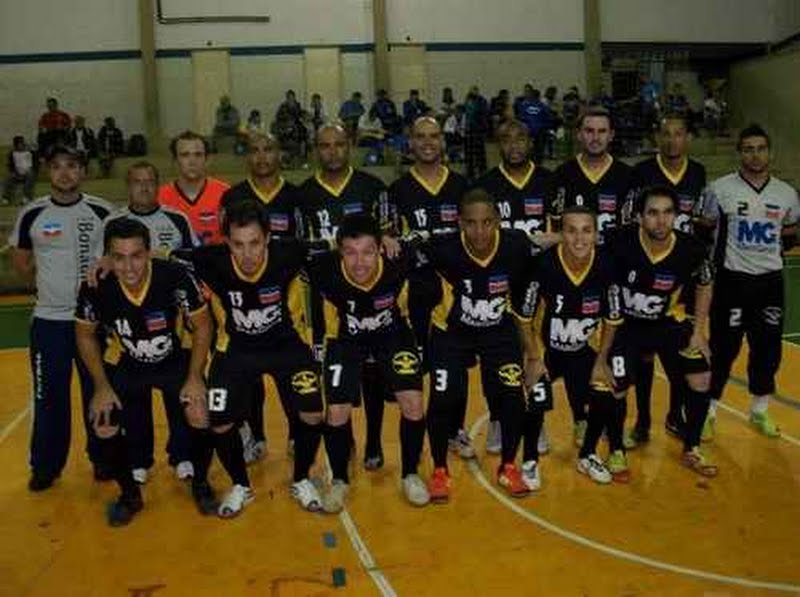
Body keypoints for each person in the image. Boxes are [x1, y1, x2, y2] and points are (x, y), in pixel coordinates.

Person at [175, 201, 328, 516]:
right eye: (238, 244)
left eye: (255, 243)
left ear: (268, 238)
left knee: (313, 412)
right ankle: (240, 485)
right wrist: (107, 258)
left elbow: (335, 246)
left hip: (286, 346)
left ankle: (301, 478)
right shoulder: (210, 260)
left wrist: (385, 240)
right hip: (236, 350)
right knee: (220, 421)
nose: (247, 254)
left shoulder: (290, 253)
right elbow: (166, 257)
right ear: (226, 241)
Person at [75, 218, 211, 525]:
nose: (129, 267)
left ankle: (201, 485)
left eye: (136, 256)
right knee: (103, 420)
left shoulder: (174, 276)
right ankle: (129, 495)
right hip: (128, 363)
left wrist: (195, 377)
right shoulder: (96, 286)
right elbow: (84, 335)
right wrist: (101, 386)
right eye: (119, 257)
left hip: (174, 360)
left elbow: (203, 326)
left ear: (149, 252)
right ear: (108, 257)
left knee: (200, 410)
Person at [422, 188, 539, 501]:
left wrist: (533, 354)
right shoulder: (442, 248)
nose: (479, 231)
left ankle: (508, 466)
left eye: (487, 222)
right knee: (443, 397)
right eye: (471, 223)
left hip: (498, 333)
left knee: (513, 396)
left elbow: (539, 248)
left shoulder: (515, 246)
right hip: (451, 333)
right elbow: (405, 254)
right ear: (460, 223)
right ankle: (439, 470)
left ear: (497, 221)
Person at [309, 214, 429, 510]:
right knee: (336, 410)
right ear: (339, 251)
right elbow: (287, 250)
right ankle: (339, 480)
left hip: (392, 333)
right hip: (345, 339)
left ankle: (411, 474)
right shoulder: (323, 267)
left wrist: (392, 238)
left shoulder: (399, 258)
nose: (359, 262)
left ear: (380, 249)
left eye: (367, 252)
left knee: (413, 402)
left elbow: (425, 239)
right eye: (350, 252)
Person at [9, 145, 112, 491]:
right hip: (49, 322)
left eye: (71, 166)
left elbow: (115, 257)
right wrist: (51, 286)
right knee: (48, 395)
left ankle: (104, 458)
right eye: (57, 167)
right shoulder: (32, 213)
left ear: (82, 171)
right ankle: (46, 466)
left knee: (99, 389)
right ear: (47, 172)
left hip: (92, 322)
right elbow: (22, 264)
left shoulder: (102, 211)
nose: (65, 173)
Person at [299, 123, 393, 469]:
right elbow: (300, 251)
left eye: (339, 144)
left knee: (372, 374)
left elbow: (388, 242)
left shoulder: (372, 187)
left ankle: (374, 441)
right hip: (326, 301)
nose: (333, 151)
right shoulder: (304, 195)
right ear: (316, 150)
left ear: (349, 146)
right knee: (337, 377)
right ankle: (347, 437)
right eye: (325, 145)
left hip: (369, 299)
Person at [606, 186, 717, 478]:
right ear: (640, 217)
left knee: (701, 376)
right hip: (626, 326)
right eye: (653, 213)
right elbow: (582, 242)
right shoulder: (619, 239)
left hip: (669, 324)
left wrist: (699, 331)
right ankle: (617, 448)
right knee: (615, 383)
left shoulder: (692, 249)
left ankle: (692, 447)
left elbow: (705, 284)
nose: (661, 220)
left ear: (676, 215)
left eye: (668, 212)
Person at [701, 125, 800, 438]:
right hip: (731, 281)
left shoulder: (786, 194)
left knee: (768, 349)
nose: (755, 155)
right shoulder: (719, 189)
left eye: (760, 148)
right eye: (748, 149)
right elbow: (705, 228)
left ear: (770, 152)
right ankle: (708, 412)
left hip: (769, 283)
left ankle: (759, 410)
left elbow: (790, 233)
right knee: (723, 348)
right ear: (739, 153)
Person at [475, 118, 558, 454]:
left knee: (535, 353)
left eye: (520, 138)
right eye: (506, 139)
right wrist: (530, 241)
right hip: (498, 283)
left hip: (541, 284)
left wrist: (525, 241)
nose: (514, 145)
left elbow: (559, 234)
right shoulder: (485, 185)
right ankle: (498, 419)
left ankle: (536, 422)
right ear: (499, 144)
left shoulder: (549, 181)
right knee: (496, 356)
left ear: (530, 142)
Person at [524, 206, 623, 487]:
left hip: (582, 349)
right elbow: (523, 318)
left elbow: (613, 318)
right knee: (537, 396)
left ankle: (587, 454)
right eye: (571, 231)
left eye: (586, 231)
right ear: (561, 234)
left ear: (596, 234)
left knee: (605, 389)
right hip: (547, 350)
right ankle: (530, 460)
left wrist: (601, 360)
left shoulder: (606, 266)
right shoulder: (543, 266)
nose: (579, 239)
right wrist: (533, 358)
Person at [388, 117, 470, 456]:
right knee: (416, 369)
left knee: (456, 367)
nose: (427, 142)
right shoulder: (397, 191)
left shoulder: (462, 186)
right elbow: (391, 243)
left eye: (434, 136)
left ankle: (455, 430)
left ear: (443, 141)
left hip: (457, 291)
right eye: (420, 137)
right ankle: (418, 433)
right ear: (410, 143)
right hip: (415, 293)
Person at [220, 133, 304, 460]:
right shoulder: (232, 197)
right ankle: (255, 436)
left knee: (289, 375)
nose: (262, 156)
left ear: (279, 153)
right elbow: (224, 249)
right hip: (244, 301)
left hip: (285, 300)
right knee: (250, 378)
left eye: (268, 149)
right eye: (255, 150)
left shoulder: (295, 196)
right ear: (247, 157)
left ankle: (297, 435)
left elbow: (302, 249)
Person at [626, 113, 707, 448]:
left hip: (681, 273)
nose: (672, 140)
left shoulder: (698, 172)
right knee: (644, 356)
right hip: (648, 268)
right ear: (658, 138)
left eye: (678, 134)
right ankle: (643, 420)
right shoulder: (642, 172)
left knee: (678, 354)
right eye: (667, 134)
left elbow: (702, 223)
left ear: (687, 138)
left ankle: (675, 415)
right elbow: (630, 218)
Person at [550, 106, 635, 246]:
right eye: (589, 131)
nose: (595, 138)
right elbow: (556, 229)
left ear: (611, 135)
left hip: (616, 256)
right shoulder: (562, 174)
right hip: (575, 255)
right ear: (579, 134)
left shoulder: (629, 175)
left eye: (602, 131)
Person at [158, 131, 230, 246]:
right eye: (185, 155)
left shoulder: (226, 193)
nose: (192, 162)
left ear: (207, 160)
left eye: (198, 155)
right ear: (174, 160)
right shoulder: (159, 197)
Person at [3, 135, 37, 204]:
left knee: (30, 175)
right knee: (8, 178)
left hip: (28, 171)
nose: (20, 145)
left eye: (22, 143)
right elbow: (10, 165)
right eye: (19, 144)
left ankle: (27, 197)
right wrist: (13, 172)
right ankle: (6, 198)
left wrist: (32, 170)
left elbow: (35, 164)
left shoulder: (29, 152)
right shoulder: (12, 153)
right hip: (17, 172)